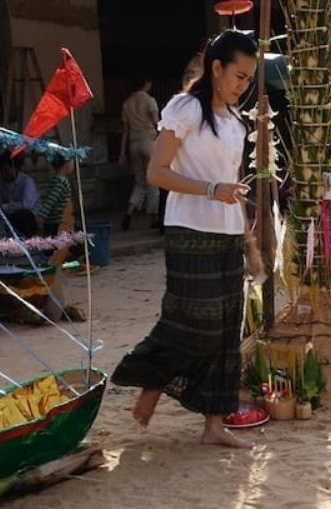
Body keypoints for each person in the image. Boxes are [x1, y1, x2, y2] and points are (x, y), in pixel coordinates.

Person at [112, 29, 263, 449]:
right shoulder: (185, 109)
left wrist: (250, 245)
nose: (243, 86)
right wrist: (212, 190)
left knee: (225, 328)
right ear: (216, 68)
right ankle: (151, 384)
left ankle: (214, 424)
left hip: (228, 234)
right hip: (189, 229)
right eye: (238, 76)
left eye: (249, 79)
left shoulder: (234, 122)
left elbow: (233, 186)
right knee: (193, 319)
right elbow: (156, 173)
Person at [119, 76, 161, 231]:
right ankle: (154, 218)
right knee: (153, 182)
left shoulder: (126, 104)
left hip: (133, 144)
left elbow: (125, 131)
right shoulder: (150, 101)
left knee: (140, 182)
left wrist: (122, 153)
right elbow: (157, 123)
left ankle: (129, 213)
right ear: (147, 83)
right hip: (149, 143)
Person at [0, 152, 40, 237]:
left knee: (24, 215)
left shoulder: (27, 182)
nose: (4, 174)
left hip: (30, 218)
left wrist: (6, 206)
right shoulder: (1, 184)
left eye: (6, 170)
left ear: (14, 168)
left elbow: (26, 205)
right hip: (10, 216)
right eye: (2, 171)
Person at [39, 156, 75, 237]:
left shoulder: (58, 180)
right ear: (67, 165)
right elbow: (51, 200)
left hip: (58, 219)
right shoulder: (60, 182)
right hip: (56, 221)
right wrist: (41, 216)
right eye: (73, 163)